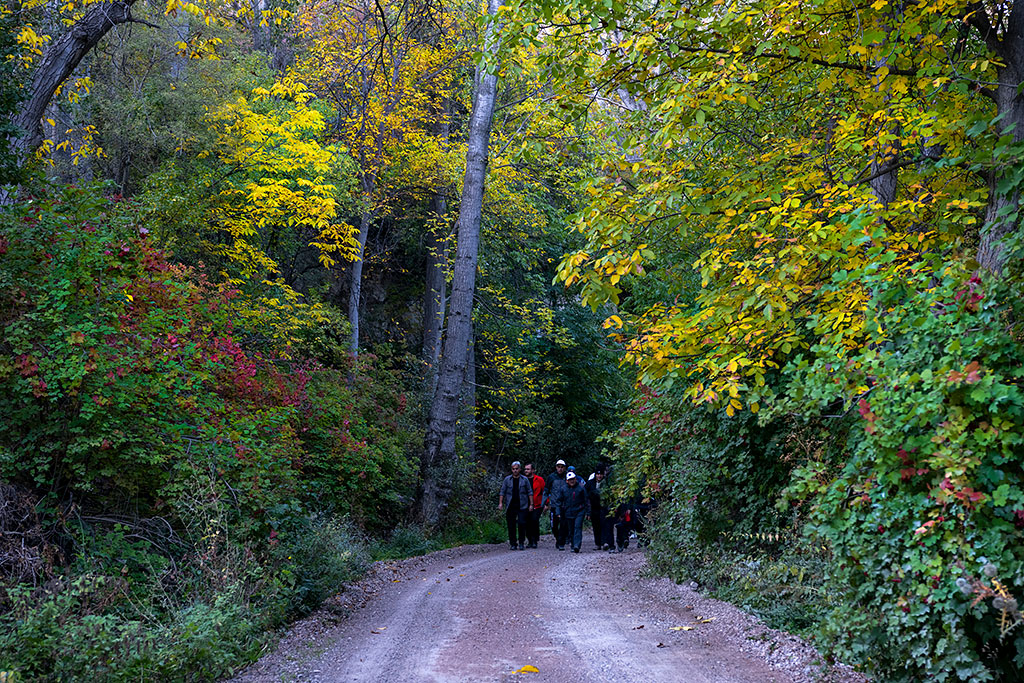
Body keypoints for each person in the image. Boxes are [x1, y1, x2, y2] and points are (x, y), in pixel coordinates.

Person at [498, 461, 533, 550]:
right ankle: (513, 543)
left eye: (517, 469)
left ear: (520, 469)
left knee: (522, 524)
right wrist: (501, 503)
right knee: (511, 525)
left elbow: (529, 492)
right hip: (511, 506)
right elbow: (502, 491)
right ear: (511, 470)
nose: (515, 471)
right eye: (513, 469)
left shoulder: (524, 479)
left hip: (522, 505)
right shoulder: (507, 480)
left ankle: (521, 542)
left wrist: (531, 504)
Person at [554, 471, 589, 553]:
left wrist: (588, 512)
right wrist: (558, 512)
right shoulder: (563, 489)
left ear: (576, 479)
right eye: (570, 480)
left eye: (573, 479)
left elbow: (586, 501)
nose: (572, 481)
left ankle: (577, 545)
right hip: (568, 512)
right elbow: (558, 501)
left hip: (579, 511)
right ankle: (573, 545)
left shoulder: (581, 488)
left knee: (577, 527)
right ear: (567, 481)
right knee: (571, 529)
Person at [587, 466, 614, 550]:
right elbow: (586, 496)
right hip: (594, 507)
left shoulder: (607, 483)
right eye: (597, 474)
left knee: (605, 525)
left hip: (604, 507)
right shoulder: (590, 483)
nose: (599, 476)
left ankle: (605, 542)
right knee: (596, 526)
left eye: (601, 474)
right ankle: (597, 543)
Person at [544, 460, 568, 550]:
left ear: (564, 468)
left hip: (564, 505)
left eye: (562, 467)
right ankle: (558, 538)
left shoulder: (567, 476)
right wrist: (545, 503)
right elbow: (546, 490)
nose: (560, 469)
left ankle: (561, 541)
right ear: (556, 467)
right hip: (554, 504)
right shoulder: (551, 477)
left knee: (563, 524)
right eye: (558, 467)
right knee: (554, 525)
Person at [523, 463, 545, 549]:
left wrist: (546, 503)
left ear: (533, 470)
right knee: (527, 522)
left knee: (534, 520)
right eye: (525, 469)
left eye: (528, 469)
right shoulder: (523, 480)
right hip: (525, 504)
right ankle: (529, 540)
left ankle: (534, 540)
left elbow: (544, 491)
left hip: (537, 504)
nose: (526, 471)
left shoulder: (539, 480)